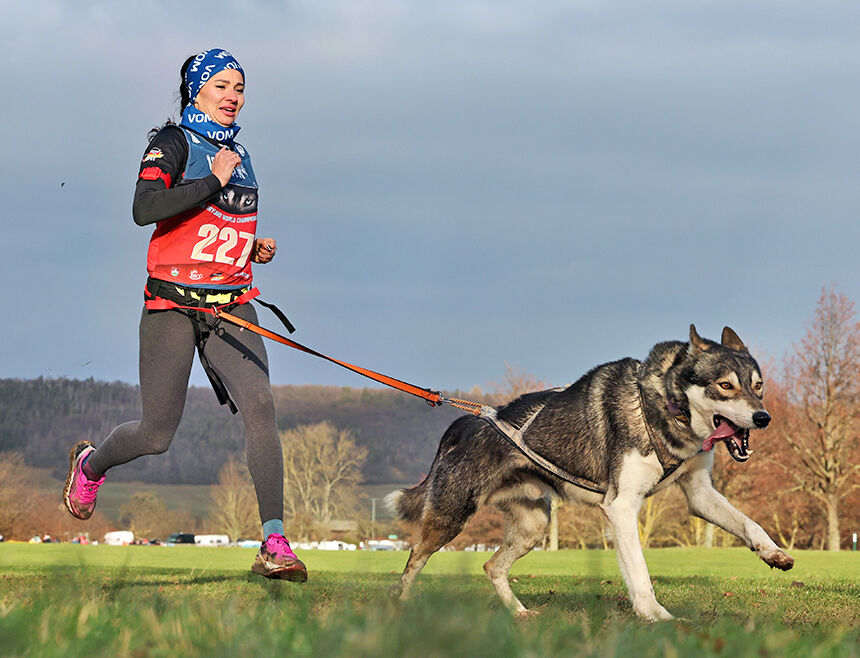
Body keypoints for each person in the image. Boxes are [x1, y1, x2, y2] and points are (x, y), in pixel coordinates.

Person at [63, 48, 307, 582]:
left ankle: (274, 542)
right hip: (171, 308)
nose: (233, 96)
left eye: (239, 88)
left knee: (261, 408)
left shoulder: (240, 152)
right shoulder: (172, 142)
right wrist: (214, 182)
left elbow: (210, 228)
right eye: (221, 86)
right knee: (157, 434)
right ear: (197, 90)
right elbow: (144, 209)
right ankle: (91, 465)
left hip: (231, 308)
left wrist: (248, 248)